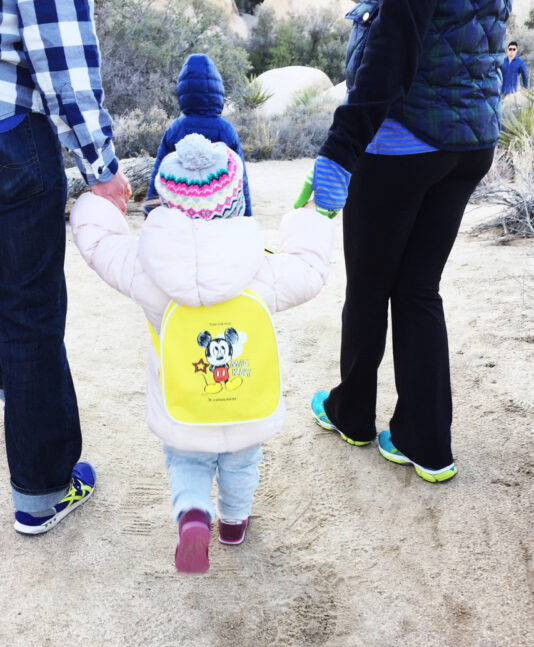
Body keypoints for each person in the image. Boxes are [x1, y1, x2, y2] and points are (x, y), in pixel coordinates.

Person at [71, 133, 334, 573]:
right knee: (242, 462)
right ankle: (232, 524)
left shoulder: (145, 267)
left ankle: (193, 516)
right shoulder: (261, 269)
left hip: (185, 406)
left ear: (166, 202)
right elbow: (310, 267)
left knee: (186, 461)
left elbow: (98, 246)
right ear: (234, 205)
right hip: (246, 404)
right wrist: (308, 217)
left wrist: (102, 204)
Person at [296, 0, 510, 483]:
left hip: (404, 139)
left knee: (369, 287)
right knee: (418, 288)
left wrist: (340, 148)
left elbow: (392, 48)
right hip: (471, 142)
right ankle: (427, 443)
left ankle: (350, 413)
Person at [0, 0, 131, 534]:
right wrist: (101, 168)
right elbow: (63, 55)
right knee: (29, 316)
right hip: (11, 137)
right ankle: (42, 491)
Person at [143, 53, 252, 217]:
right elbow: (240, 177)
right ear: (218, 90)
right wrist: (247, 216)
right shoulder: (226, 130)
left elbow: (158, 173)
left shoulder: (175, 129)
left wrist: (149, 211)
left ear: (183, 91)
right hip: (219, 213)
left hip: (183, 211)